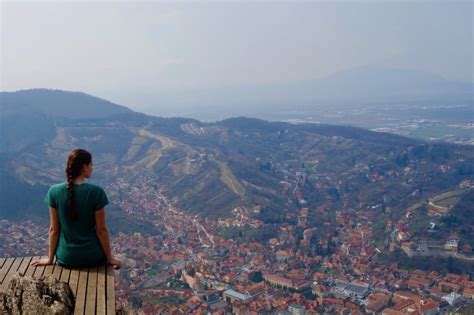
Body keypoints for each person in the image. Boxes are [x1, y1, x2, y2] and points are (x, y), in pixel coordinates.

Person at [31, 149, 121, 269]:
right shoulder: (96, 192)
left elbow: (54, 230)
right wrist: (110, 258)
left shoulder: (54, 191)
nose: (92, 168)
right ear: (84, 167)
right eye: (91, 165)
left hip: (66, 257)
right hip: (92, 257)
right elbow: (101, 230)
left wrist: (50, 258)